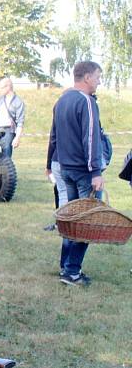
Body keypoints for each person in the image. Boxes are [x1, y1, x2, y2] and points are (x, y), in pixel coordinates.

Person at [47, 61, 104, 286]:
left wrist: (49, 163)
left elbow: (53, 135)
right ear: (87, 77)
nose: (99, 80)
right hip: (83, 172)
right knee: (87, 222)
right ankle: (72, 271)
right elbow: (90, 138)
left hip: (65, 168)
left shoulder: (61, 101)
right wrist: (96, 171)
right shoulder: (87, 102)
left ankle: (65, 265)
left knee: (71, 220)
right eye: (98, 76)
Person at [0, 77, 25, 158]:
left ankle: (7, 170)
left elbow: (20, 122)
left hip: (8, 131)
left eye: (1, 88)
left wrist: (17, 138)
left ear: (8, 87)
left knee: (6, 157)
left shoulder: (18, 102)